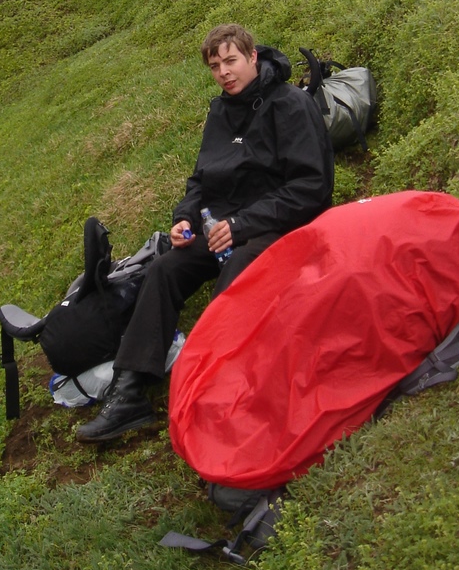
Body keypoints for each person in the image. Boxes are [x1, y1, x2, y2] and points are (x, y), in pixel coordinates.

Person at [76, 23, 334, 443]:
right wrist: (185, 219)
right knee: (164, 270)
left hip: (280, 227)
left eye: (231, 61)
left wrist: (242, 224)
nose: (224, 73)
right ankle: (129, 392)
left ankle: (216, 389)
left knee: (238, 271)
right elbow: (201, 179)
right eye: (215, 66)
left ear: (253, 57)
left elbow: (312, 187)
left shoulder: (291, 105)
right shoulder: (220, 111)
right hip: (223, 227)